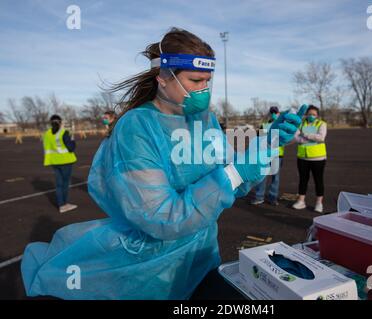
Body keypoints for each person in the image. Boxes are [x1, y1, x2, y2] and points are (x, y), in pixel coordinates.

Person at [21, 28, 301, 300]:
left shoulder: (205, 120)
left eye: (207, 80)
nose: (204, 89)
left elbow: (234, 184)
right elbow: (161, 217)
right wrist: (234, 174)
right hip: (152, 271)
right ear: (163, 77)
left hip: (202, 258)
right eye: (195, 80)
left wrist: (267, 144)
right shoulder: (136, 128)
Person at [292, 105, 327, 213]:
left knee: (318, 181)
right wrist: (311, 138)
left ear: (317, 116)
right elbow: (296, 138)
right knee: (303, 180)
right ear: (306, 114)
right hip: (302, 158)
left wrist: (305, 134)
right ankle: (301, 201)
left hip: (318, 158)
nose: (311, 116)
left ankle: (319, 203)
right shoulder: (301, 124)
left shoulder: (321, 124)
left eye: (314, 114)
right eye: (310, 114)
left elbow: (321, 137)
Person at [43, 115, 78, 213]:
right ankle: (64, 205)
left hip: (54, 162)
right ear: (60, 122)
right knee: (65, 183)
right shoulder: (63, 133)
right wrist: (72, 139)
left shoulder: (47, 134)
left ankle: (61, 204)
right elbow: (71, 148)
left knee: (59, 184)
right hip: (65, 161)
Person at [251, 106, 284, 206]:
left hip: (277, 155)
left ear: (278, 113)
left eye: (275, 112)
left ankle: (272, 197)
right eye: (272, 112)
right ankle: (259, 197)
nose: (274, 114)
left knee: (275, 177)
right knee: (262, 177)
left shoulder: (282, 125)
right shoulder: (264, 125)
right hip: (264, 154)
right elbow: (259, 138)